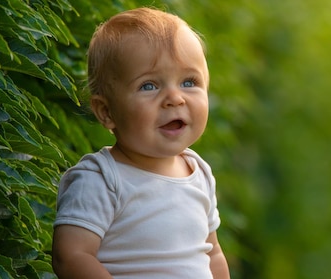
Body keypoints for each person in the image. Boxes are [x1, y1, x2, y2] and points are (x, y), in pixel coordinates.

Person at [52, 7, 230, 279]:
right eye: (149, 86)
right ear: (106, 112)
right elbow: (71, 257)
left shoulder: (199, 173)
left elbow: (212, 253)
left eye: (189, 82)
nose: (175, 98)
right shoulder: (102, 179)